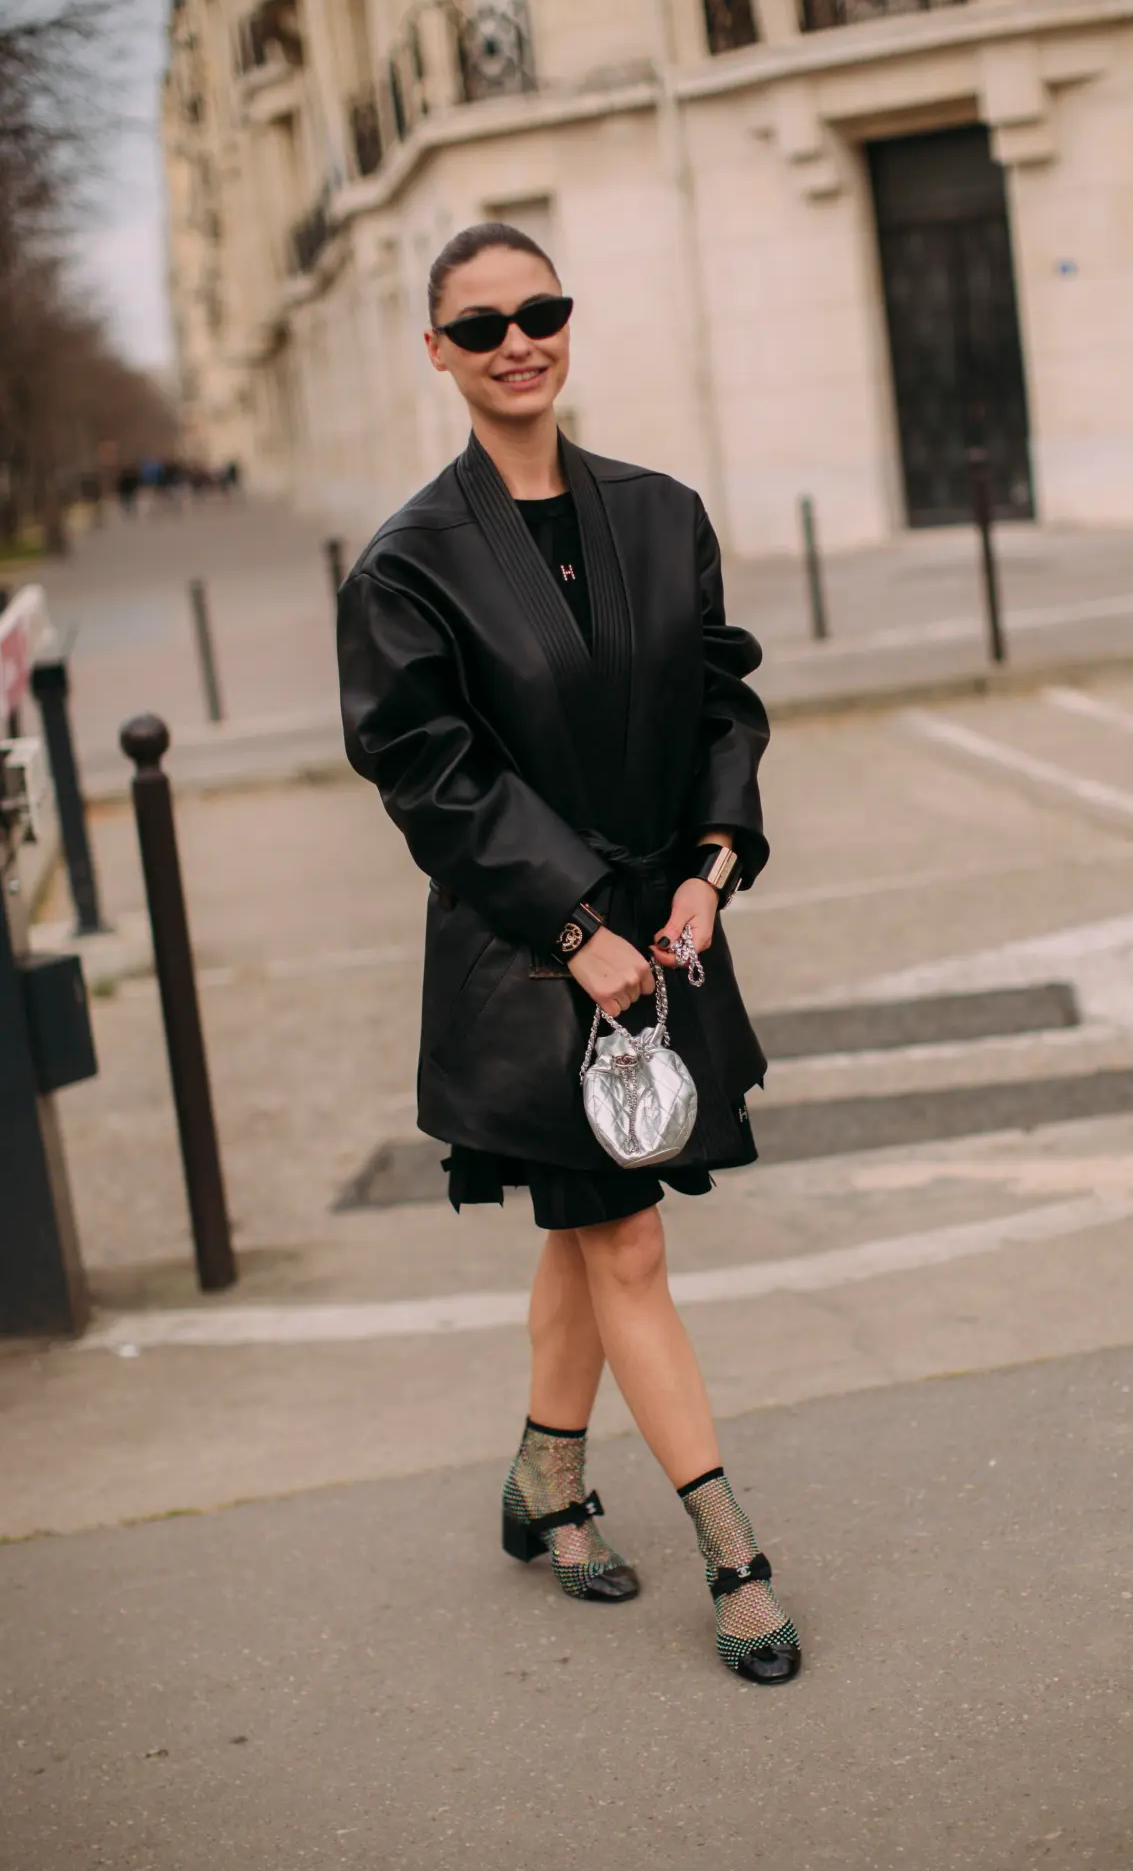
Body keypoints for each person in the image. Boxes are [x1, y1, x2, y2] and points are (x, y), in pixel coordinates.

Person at [337, 221, 800, 1685]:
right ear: (439, 355)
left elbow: (724, 701)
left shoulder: (661, 513)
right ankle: (734, 1553)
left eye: (540, 309)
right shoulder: (409, 564)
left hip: (668, 938)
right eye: (481, 326)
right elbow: (434, 778)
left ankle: (546, 1477)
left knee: (582, 1227)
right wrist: (581, 926)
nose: (517, 339)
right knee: (626, 1236)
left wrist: (714, 868)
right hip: (531, 959)